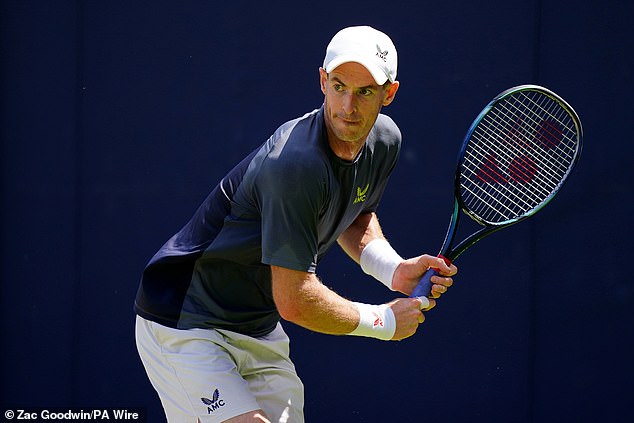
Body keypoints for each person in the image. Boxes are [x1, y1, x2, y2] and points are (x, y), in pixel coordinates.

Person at [134, 25, 457, 423]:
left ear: (389, 93)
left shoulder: (384, 141)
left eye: (365, 92)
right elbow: (295, 300)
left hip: (255, 325)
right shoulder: (295, 165)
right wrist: (385, 321)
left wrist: (393, 270)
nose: (348, 106)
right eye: (338, 86)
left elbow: (354, 215)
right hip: (186, 319)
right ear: (323, 81)